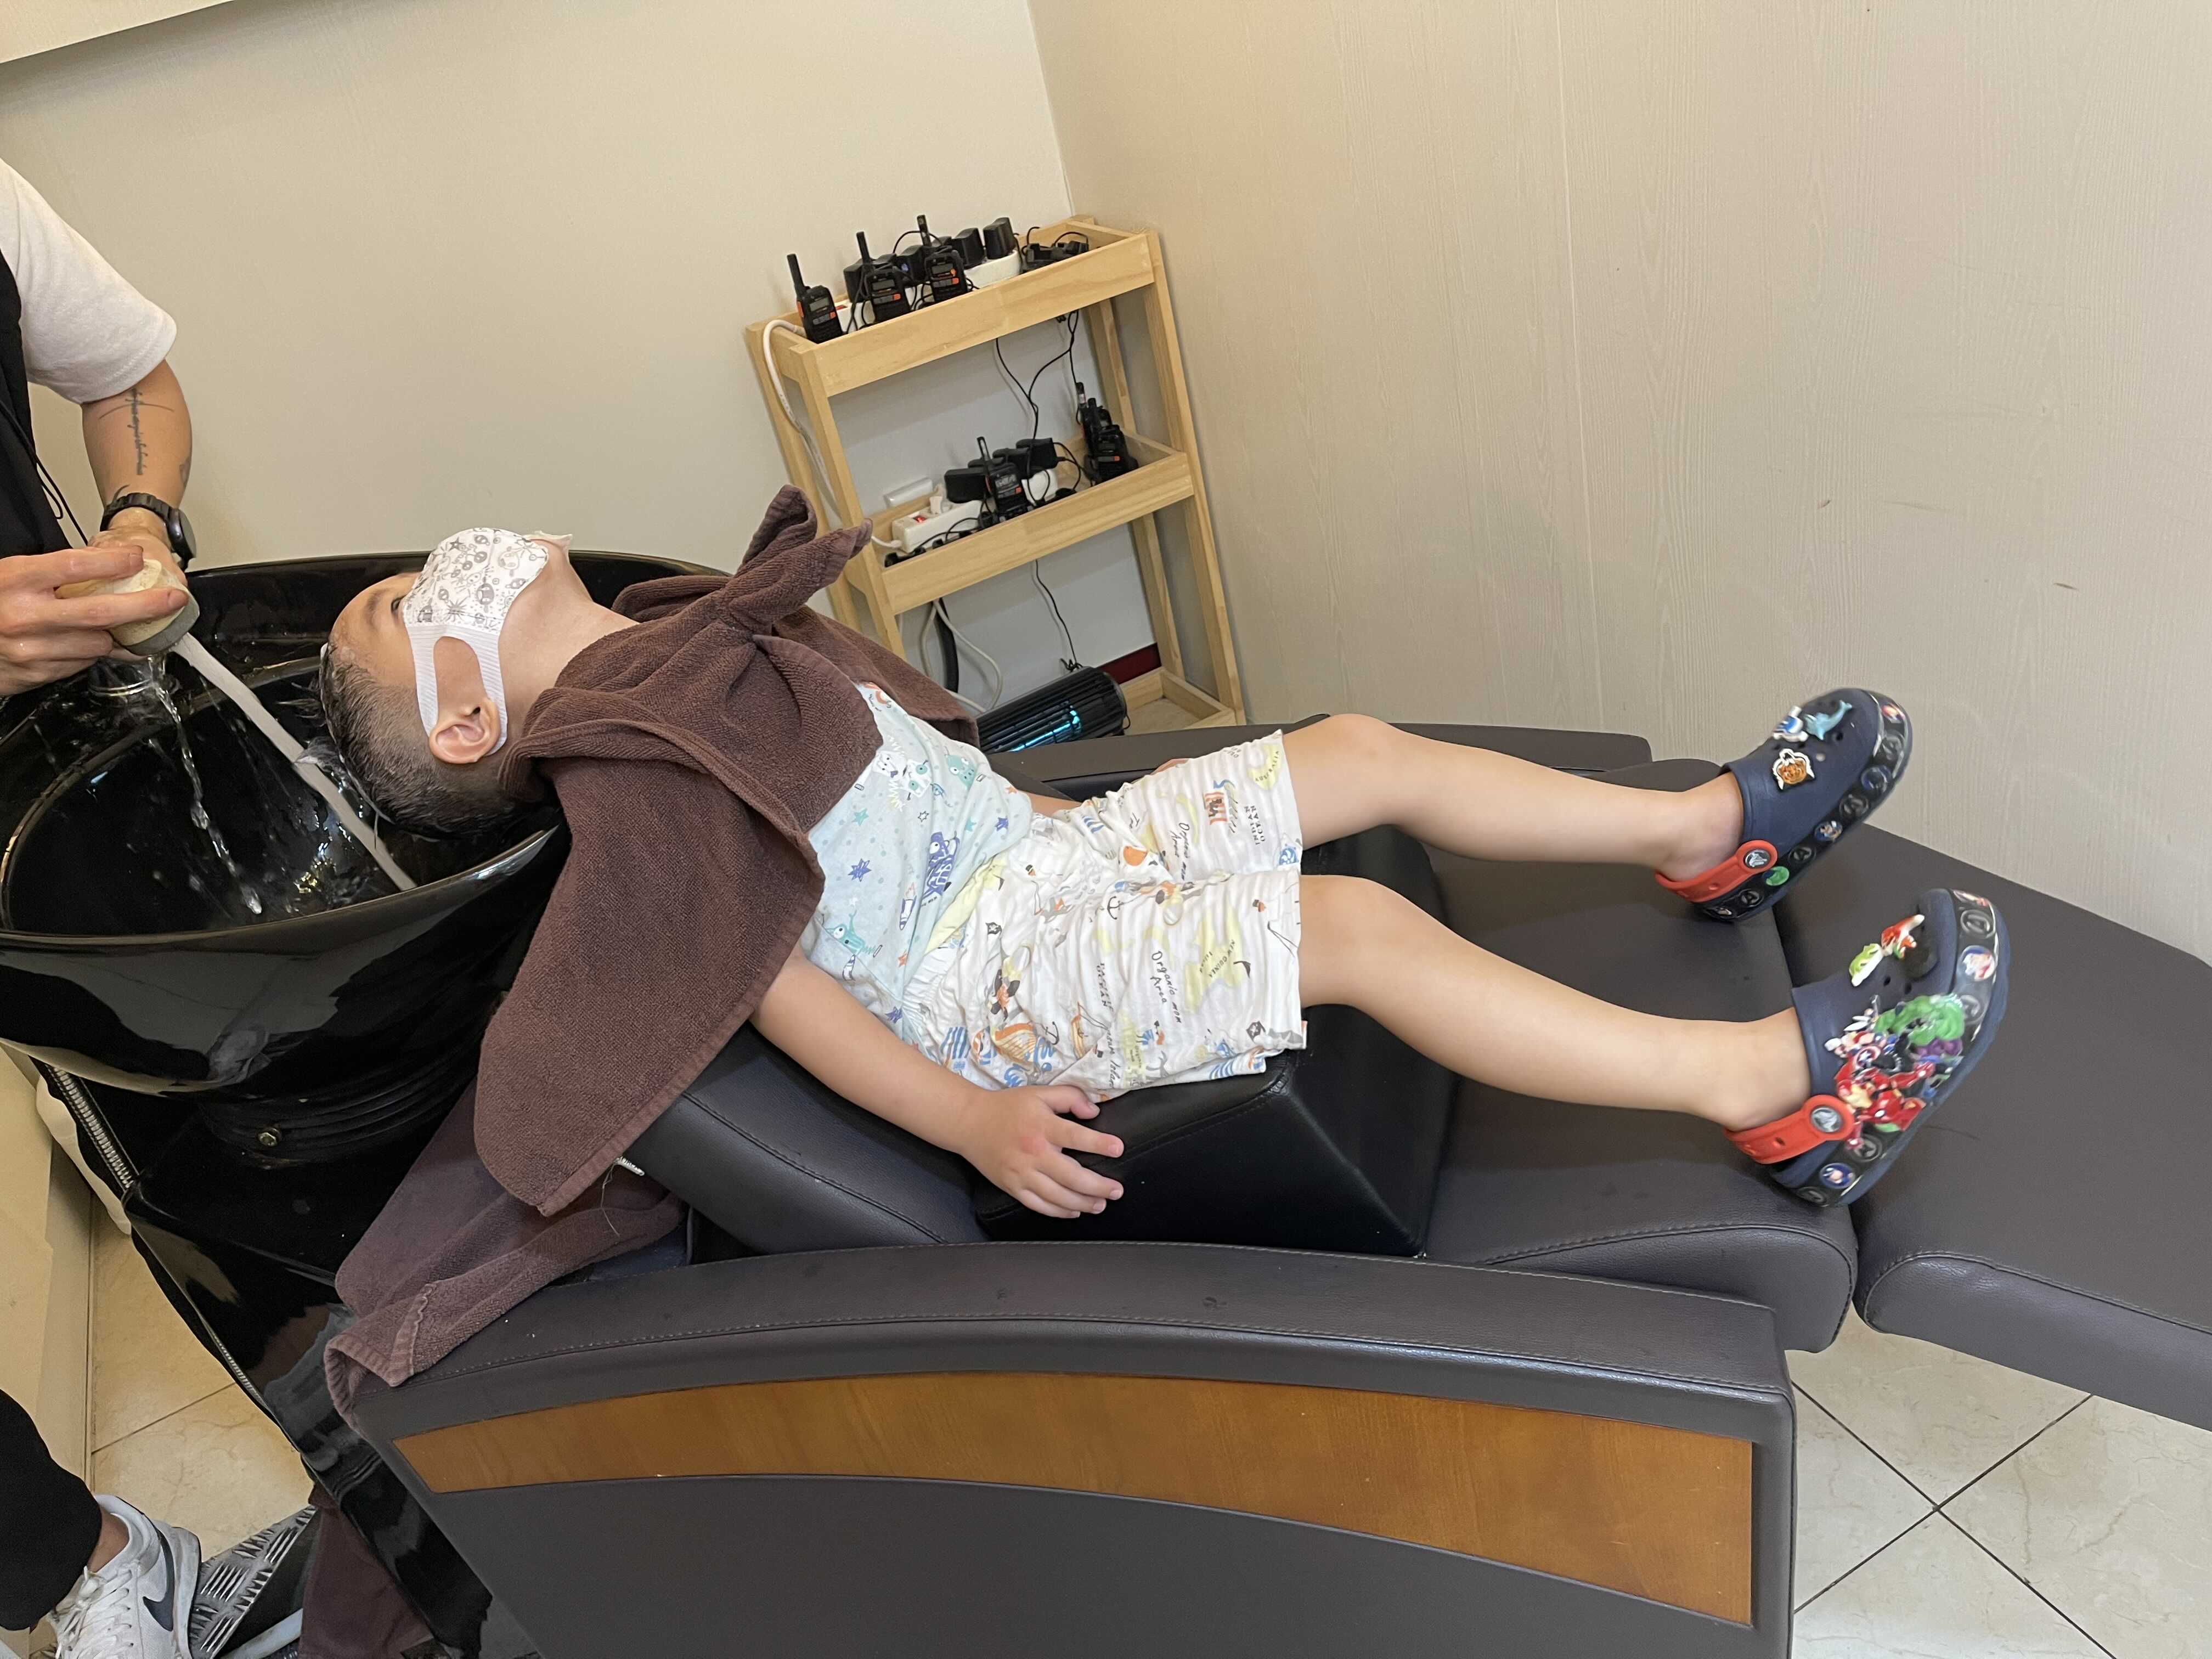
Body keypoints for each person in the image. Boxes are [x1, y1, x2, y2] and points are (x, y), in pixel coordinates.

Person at [318, 493, 2010, 1226]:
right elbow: (772, 988)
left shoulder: (675, 653)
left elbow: (901, 780)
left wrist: (1058, 826)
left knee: (1357, 749)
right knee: (1354, 927)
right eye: (399, 608)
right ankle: (1763, 1089)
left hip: (1036, 859)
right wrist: (968, 1122)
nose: (429, 567)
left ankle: (1704, 833)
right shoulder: (628, 766)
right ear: (465, 722)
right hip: (992, 983)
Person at [0, 155, 202, 1657]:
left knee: (189, 1132)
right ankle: (75, 1563)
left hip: (48, 775)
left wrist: (141, 520)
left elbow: (135, 378)